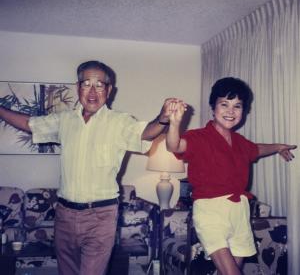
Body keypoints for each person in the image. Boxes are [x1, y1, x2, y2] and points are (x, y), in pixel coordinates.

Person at [0, 60, 177, 275]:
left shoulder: (119, 122)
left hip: (100, 217)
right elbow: (29, 124)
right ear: (78, 87)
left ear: (109, 90)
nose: (92, 92)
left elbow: (146, 132)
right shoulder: (64, 120)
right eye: (86, 84)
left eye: (99, 85)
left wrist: (162, 118)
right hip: (64, 215)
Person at [166, 77, 296, 275]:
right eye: (224, 104)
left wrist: (278, 147)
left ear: (243, 111)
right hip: (210, 211)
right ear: (213, 107)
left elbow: (256, 149)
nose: (230, 111)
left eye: (237, 106)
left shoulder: (240, 142)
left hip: (239, 211)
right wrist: (174, 124)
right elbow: (174, 146)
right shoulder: (199, 137)